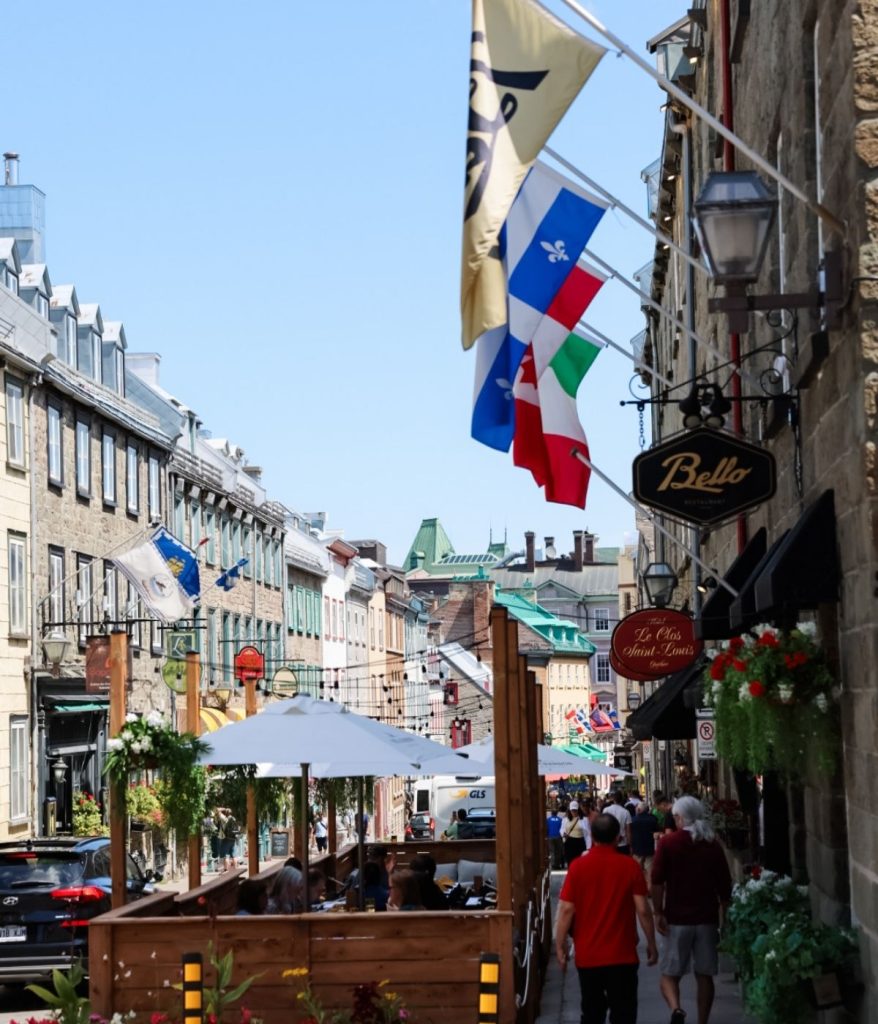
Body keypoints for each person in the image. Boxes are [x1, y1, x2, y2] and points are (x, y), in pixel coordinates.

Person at [555, 814, 658, 1024]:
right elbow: (643, 910)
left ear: (591, 836)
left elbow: (566, 909)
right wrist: (651, 942)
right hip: (623, 954)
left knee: (592, 1013)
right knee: (624, 1014)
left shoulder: (577, 867)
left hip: (589, 955)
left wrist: (560, 943)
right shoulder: (629, 866)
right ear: (618, 837)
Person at [651, 795, 733, 1024]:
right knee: (705, 974)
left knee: (669, 975)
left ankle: (676, 1009)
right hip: (706, 918)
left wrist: (658, 912)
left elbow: (656, 880)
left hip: (677, 919)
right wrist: (725, 917)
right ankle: (703, 1021)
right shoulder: (712, 844)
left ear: (679, 818)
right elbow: (724, 884)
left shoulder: (668, 844)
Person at [630, 801, 661, 875]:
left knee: (637, 872)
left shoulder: (633, 820)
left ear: (639, 810)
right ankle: (649, 885)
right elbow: (657, 832)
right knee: (650, 872)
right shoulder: (653, 819)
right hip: (650, 848)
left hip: (637, 849)